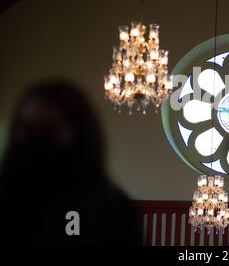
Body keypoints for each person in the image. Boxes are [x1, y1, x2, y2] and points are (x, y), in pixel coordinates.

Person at [0, 80, 141, 246]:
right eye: (27, 130)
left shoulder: (113, 209)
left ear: (80, 133)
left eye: (49, 130)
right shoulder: (7, 198)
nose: (35, 140)